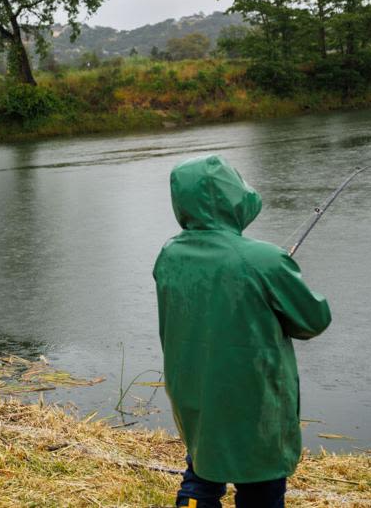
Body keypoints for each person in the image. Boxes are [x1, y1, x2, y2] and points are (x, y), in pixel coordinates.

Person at [153, 154, 332, 507]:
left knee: (203, 467)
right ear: (232, 197)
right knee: (260, 486)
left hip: (194, 391)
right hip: (252, 402)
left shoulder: (169, 254)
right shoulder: (263, 259)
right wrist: (281, 269)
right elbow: (314, 320)